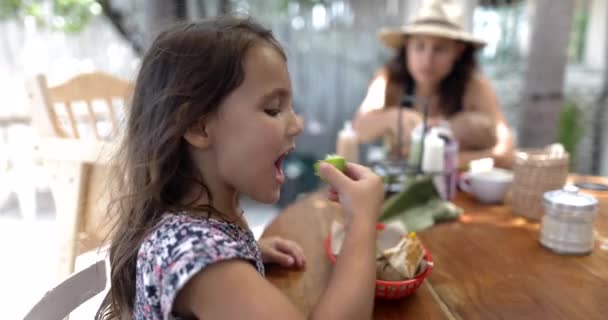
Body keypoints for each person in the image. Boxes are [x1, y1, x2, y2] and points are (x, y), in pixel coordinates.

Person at [95, 16, 385, 320]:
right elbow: (208, 268)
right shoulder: (204, 262)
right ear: (199, 127)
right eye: (273, 109)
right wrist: (362, 224)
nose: (297, 124)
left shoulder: (203, 231)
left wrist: (248, 254)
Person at [353, 0, 515, 168]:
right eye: (419, 46)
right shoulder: (389, 79)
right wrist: (393, 117)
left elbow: (506, 153)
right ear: (407, 46)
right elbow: (359, 129)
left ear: (458, 51)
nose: (427, 60)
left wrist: (443, 159)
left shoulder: (474, 86)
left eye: (440, 49)